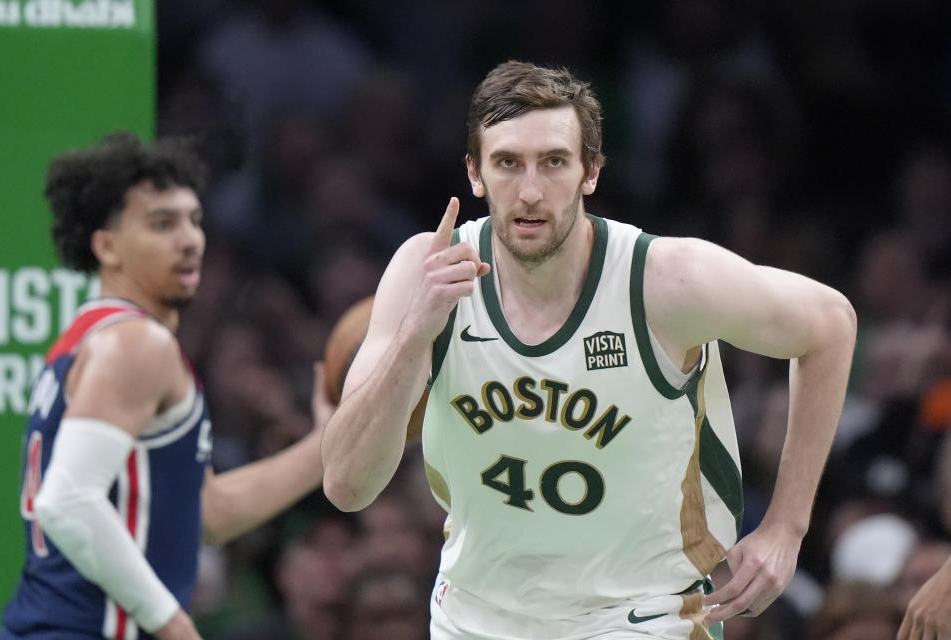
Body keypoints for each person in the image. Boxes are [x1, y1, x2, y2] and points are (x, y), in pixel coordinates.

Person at [321, 60, 857, 640]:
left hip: (641, 612)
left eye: (553, 162)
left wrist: (786, 526)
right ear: (474, 174)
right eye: (507, 163)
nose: (530, 191)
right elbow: (348, 485)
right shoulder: (426, 269)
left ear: (591, 172)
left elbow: (830, 324)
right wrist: (415, 334)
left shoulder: (663, 280)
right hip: (474, 613)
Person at [0, 132, 325, 640]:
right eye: (162, 224)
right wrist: (170, 623)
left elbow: (210, 513)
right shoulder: (135, 344)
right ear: (106, 246)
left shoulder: (85, 339)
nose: (190, 239)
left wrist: (326, 446)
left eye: (194, 220)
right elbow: (66, 501)